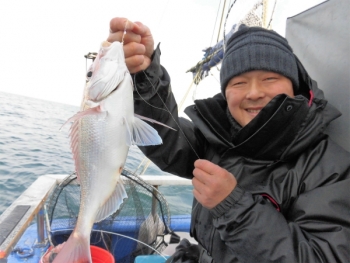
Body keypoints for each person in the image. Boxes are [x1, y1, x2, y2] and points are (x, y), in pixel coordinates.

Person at [108, 18, 350, 262]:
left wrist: (232, 206)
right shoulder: (218, 139)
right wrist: (144, 76)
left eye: (269, 79)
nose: (254, 92)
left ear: (294, 85)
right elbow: (167, 138)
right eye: (239, 82)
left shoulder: (329, 168)